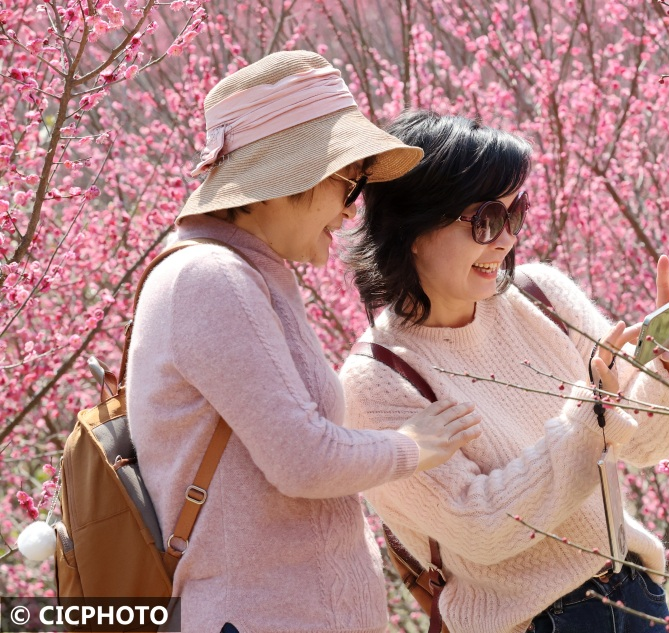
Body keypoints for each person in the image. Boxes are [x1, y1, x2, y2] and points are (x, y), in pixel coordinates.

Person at [126, 53, 482, 633]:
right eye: (348, 183)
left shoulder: (248, 274)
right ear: (282, 181)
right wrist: (412, 445)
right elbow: (302, 462)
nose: (349, 212)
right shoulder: (211, 278)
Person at [340, 110, 669, 633]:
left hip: (634, 590)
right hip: (535, 622)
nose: (505, 241)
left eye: (515, 214)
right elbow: (482, 528)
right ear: (413, 229)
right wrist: (589, 413)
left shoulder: (542, 297)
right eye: (485, 220)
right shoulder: (378, 380)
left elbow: (645, 443)